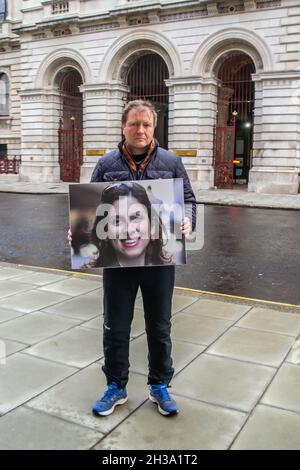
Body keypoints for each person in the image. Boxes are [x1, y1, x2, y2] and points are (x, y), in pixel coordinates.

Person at [69, 100, 196, 417]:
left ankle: (159, 385)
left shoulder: (171, 161)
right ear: (123, 127)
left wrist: (188, 220)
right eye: (134, 124)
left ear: (154, 128)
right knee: (115, 327)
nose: (140, 130)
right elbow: (93, 207)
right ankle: (116, 385)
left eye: (147, 125)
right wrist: (78, 234)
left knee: (160, 326)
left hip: (159, 263)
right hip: (117, 264)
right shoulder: (107, 163)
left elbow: (189, 200)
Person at [88, 181, 172, 268]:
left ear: (152, 226)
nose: (129, 230)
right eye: (117, 221)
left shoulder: (164, 271)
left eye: (136, 218)